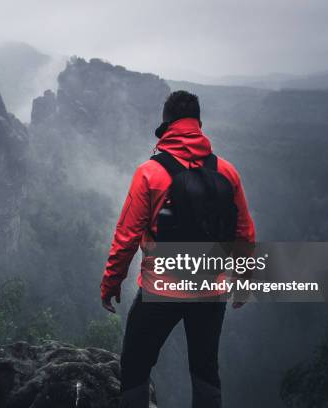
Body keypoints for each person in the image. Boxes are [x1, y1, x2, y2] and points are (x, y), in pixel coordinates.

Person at [100, 91, 255, 408]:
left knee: (135, 366)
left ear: (166, 126)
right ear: (198, 124)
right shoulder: (226, 171)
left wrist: (111, 282)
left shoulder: (150, 172)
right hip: (211, 288)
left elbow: (127, 235)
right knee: (205, 369)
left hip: (162, 289)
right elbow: (244, 232)